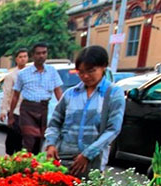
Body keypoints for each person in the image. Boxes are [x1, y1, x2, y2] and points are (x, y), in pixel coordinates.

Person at [44, 45, 125, 177]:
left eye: (91, 71)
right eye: (81, 72)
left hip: (93, 160)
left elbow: (113, 129)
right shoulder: (70, 94)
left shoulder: (113, 93)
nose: (85, 76)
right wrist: (51, 144)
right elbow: (55, 123)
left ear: (104, 66)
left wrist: (87, 154)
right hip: (64, 157)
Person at [10, 43, 64, 154]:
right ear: (33, 55)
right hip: (27, 109)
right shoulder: (23, 74)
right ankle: (26, 162)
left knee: (40, 139)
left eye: (44, 53)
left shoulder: (52, 71)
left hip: (44, 108)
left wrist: (65, 109)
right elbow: (15, 95)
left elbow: (58, 92)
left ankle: (35, 164)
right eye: (38, 53)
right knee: (29, 139)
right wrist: (11, 114)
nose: (41, 56)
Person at [0, 48, 30, 154]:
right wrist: (4, 110)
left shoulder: (31, 74)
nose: (23, 59)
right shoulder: (11, 76)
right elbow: (7, 94)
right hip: (15, 111)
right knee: (14, 137)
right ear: (16, 59)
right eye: (20, 57)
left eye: (25, 56)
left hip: (28, 111)